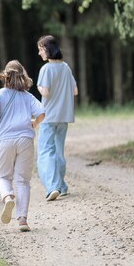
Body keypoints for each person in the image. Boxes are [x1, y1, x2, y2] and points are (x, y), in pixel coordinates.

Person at [0, 60, 45, 232]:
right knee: (23, 181)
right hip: (25, 139)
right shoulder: (28, 97)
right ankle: (22, 220)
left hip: (5, 139)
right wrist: (34, 123)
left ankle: (7, 197)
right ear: (22, 77)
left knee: (4, 176)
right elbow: (42, 113)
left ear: (6, 76)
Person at [36, 35, 78, 201]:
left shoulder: (46, 69)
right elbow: (75, 91)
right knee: (59, 152)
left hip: (49, 117)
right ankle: (62, 186)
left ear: (48, 50)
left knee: (45, 152)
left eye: (40, 49)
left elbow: (45, 92)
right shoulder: (66, 67)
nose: (39, 53)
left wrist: (38, 86)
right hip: (64, 116)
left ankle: (53, 187)